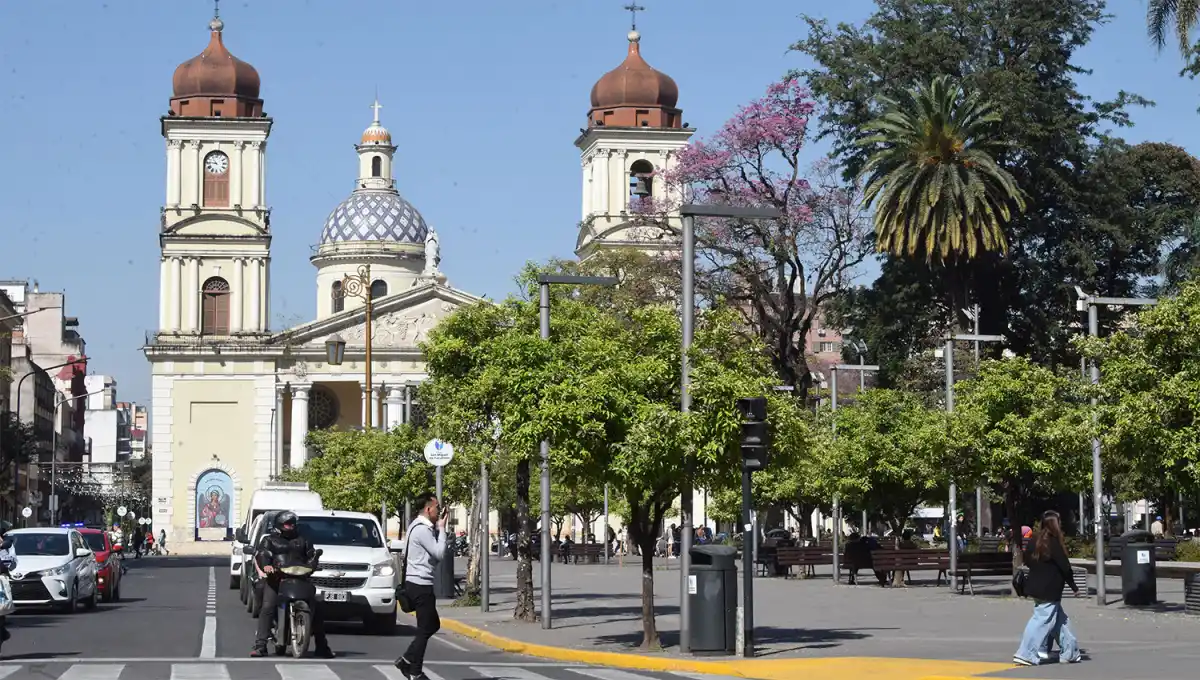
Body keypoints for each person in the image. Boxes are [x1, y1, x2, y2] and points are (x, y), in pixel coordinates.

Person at [251, 511, 334, 658]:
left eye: (292, 524)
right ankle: (260, 646)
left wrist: (313, 563)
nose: (290, 527)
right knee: (268, 607)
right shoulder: (269, 540)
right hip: (277, 579)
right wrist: (267, 566)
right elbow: (263, 554)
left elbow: (311, 556)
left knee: (317, 609)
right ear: (279, 525)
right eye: (287, 524)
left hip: (300, 578)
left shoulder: (303, 540)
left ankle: (322, 646)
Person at [1014, 510, 1082, 666]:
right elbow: (1065, 567)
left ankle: (1070, 652)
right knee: (1040, 620)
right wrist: (1074, 587)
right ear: (1055, 524)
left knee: (1061, 621)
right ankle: (1025, 653)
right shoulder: (1054, 542)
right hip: (1050, 589)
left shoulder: (1034, 540)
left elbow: (1027, 560)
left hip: (1035, 587)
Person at [395, 492, 447, 680]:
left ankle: (408, 662)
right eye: (437, 508)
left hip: (417, 583)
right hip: (420, 584)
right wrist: (442, 529)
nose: (439, 512)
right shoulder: (422, 530)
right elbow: (439, 553)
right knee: (426, 628)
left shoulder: (415, 526)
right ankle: (413, 670)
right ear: (428, 509)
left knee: (431, 625)